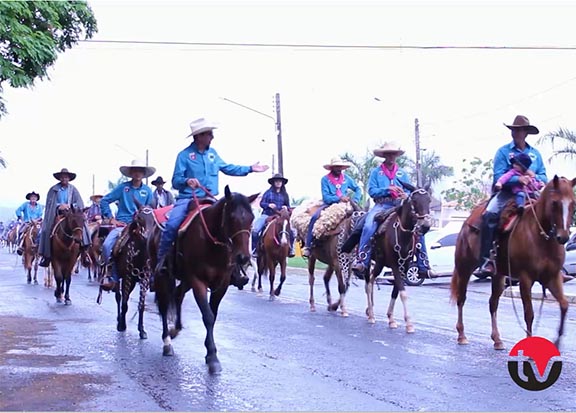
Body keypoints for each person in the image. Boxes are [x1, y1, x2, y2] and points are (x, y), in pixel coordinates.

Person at [154, 117, 269, 280]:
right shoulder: (184, 155)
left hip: (210, 199)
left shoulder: (213, 154)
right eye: (209, 134)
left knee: (230, 224)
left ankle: (235, 269)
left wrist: (250, 168)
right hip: (188, 199)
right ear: (199, 136)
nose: (212, 137)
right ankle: (161, 264)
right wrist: (187, 181)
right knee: (172, 225)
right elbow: (176, 180)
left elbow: (228, 168)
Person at [350, 142, 434, 279]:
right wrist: (387, 189)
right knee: (368, 225)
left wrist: (404, 194)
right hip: (382, 205)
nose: (391, 157)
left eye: (393, 154)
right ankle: (362, 260)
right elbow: (372, 191)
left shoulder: (402, 173)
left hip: (400, 205)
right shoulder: (376, 172)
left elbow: (408, 191)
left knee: (418, 228)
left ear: (396, 156)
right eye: (388, 154)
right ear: (384, 155)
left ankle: (423, 265)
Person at [479, 115, 547, 276]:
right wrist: (518, 178)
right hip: (507, 193)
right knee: (489, 215)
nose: (516, 133)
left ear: (526, 132)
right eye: (514, 130)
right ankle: (486, 260)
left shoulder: (535, 154)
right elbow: (498, 176)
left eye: (519, 130)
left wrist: (532, 178)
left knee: (551, 215)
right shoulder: (503, 152)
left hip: (531, 192)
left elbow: (544, 176)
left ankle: (553, 264)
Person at [99, 159, 155, 291]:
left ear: (144, 173)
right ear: (131, 173)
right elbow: (105, 201)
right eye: (135, 170)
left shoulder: (147, 191)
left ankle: (153, 276)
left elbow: (151, 209)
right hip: (123, 224)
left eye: (140, 170)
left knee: (156, 245)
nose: (138, 173)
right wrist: (111, 218)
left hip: (142, 225)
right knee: (107, 245)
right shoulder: (123, 188)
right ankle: (111, 276)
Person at [301, 157, 362, 258]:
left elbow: (357, 188)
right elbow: (326, 197)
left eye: (340, 167)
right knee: (315, 217)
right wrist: (339, 198)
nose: (339, 169)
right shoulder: (325, 179)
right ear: (332, 168)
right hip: (329, 204)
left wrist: (355, 199)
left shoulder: (346, 178)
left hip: (345, 205)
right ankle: (308, 245)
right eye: (336, 167)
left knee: (359, 216)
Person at [39, 168, 90, 268]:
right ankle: (46, 255)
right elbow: (50, 205)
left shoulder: (73, 190)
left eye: (66, 177)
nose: (64, 179)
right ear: (59, 178)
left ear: (69, 178)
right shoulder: (53, 190)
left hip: (71, 214)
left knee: (83, 228)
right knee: (45, 230)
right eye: (62, 177)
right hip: (57, 214)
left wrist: (70, 206)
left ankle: (85, 252)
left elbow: (79, 203)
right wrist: (59, 206)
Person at [251, 173, 295, 258]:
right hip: (267, 214)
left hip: (280, 217)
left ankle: (291, 248)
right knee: (255, 230)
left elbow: (289, 206)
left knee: (292, 231)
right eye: (276, 181)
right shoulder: (268, 193)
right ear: (273, 183)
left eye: (280, 181)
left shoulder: (285, 195)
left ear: (282, 183)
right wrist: (268, 205)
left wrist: (286, 207)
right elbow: (261, 203)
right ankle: (255, 249)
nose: (278, 183)